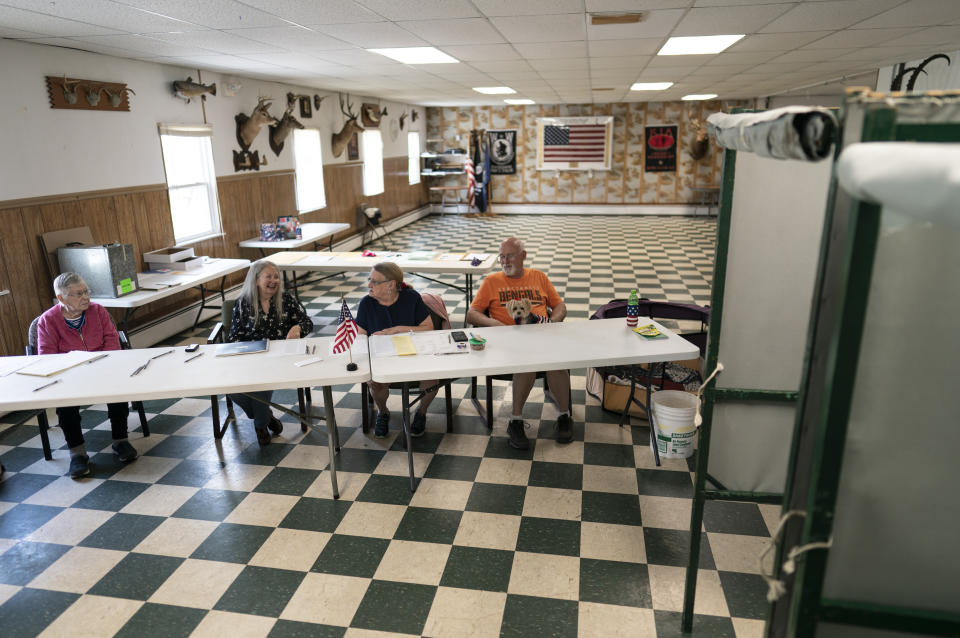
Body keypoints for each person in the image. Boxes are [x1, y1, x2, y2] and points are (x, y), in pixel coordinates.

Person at [466, 237, 572, 449]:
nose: (505, 261)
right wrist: (495, 325)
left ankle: (564, 416)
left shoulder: (538, 277)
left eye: (510, 256)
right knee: (527, 364)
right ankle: (515, 421)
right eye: (502, 257)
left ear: (523, 255)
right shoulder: (491, 281)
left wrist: (552, 322)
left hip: (541, 336)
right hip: (508, 342)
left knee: (558, 362)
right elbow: (472, 314)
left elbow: (560, 305)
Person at [37, 272, 139, 479]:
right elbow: (47, 357)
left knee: (117, 394)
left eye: (86, 291)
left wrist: (103, 364)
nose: (85, 297)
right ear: (61, 298)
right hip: (70, 375)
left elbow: (112, 341)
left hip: (103, 368)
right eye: (78, 294)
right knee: (65, 407)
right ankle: (78, 454)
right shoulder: (47, 321)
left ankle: (120, 441)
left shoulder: (98, 311)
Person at [227, 260, 313, 446]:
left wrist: (297, 327)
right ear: (256, 280)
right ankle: (265, 415)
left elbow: (307, 322)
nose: (274, 281)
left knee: (260, 382)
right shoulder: (243, 303)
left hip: (282, 359)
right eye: (269, 277)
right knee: (231, 389)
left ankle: (260, 424)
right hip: (252, 359)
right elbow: (233, 339)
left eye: (276, 277)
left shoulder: (286, 300)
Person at [356, 262, 439, 438]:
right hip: (382, 358)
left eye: (374, 282)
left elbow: (428, 328)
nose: (369, 285)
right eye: (368, 279)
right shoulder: (366, 304)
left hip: (413, 354)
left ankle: (421, 412)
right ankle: (383, 411)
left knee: (432, 378)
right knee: (375, 382)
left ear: (391, 285)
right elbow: (360, 338)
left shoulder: (411, 298)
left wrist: (397, 329)